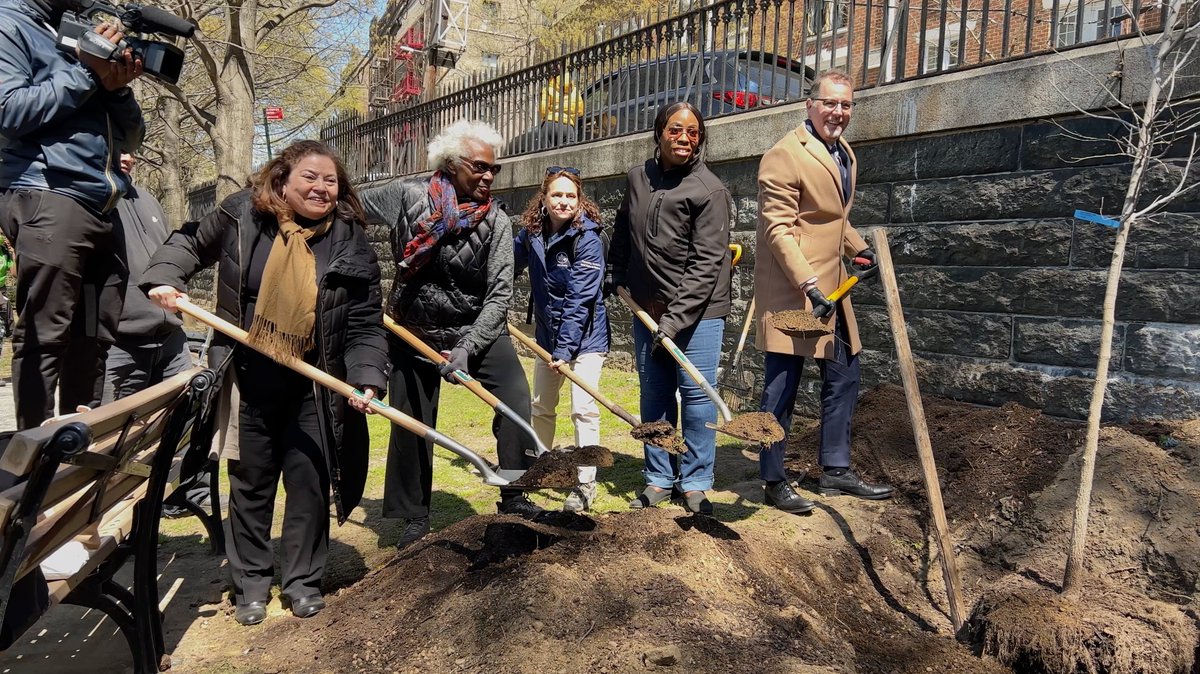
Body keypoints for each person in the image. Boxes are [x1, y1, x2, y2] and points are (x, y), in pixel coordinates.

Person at [142, 140, 389, 626]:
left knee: (310, 483)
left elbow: (363, 322)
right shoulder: (242, 216)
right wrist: (167, 276)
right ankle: (251, 583)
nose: (321, 188)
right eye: (310, 178)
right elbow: (189, 240)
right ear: (282, 180)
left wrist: (366, 378)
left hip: (316, 383)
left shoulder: (349, 238)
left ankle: (303, 581)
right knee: (251, 483)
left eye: (330, 181)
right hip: (248, 375)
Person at [361, 119, 539, 551]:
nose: (488, 176)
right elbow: (345, 209)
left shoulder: (495, 220)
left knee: (515, 400)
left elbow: (499, 295)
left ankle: (514, 495)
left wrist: (466, 347)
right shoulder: (406, 197)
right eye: (479, 167)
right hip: (413, 328)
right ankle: (414, 517)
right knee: (412, 422)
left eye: (492, 170)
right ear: (451, 163)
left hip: (473, 328)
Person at [753, 70, 893, 514]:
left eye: (846, 105)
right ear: (809, 104)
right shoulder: (784, 156)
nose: (838, 112)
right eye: (830, 103)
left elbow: (830, 219)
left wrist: (861, 250)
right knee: (782, 386)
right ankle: (773, 479)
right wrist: (808, 284)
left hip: (835, 289)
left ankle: (835, 469)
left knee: (845, 372)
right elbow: (779, 230)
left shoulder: (843, 151)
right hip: (796, 291)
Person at [0, 0, 145, 429]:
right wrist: (85, 70)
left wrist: (116, 88)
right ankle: (30, 465)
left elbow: (133, 135)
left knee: (95, 336)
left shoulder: (76, 32)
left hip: (101, 201)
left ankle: (75, 452)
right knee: (47, 333)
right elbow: (9, 112)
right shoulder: (10, 22)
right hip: (48, 192)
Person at [607, 101, 732, 517]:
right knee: (655, 395)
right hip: (647, 308)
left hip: (699, 313)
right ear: (659, 132)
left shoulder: (709, 190)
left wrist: (674, 322)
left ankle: (695, 482)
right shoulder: (638, 178)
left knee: (696, 397)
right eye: (676, 130)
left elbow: (706, 263)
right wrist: (614, 270)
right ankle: (659, 477)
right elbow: (624, 229)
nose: (684, 138)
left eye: (693, 132)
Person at [515, 167, 609, 513]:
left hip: (585, 339)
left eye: (571, 195)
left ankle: (585, 484)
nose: (564, 201)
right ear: (544, 197)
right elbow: (508, 263)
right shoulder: (532, 233)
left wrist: (565, 351)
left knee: (583, 409)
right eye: (557, 194)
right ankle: (544, 467)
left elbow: (579, 300)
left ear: (579, 199)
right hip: (547, 337)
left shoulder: (588, 238)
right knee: (542, 406)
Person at [538, 66, 583, 148]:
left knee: (546, 155)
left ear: (550, 76)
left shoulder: (547, 89)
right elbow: (580, 111)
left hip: (549, 124)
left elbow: (543, 111)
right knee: (567, 156)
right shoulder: (575, 90)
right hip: (567, 126)